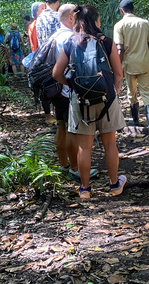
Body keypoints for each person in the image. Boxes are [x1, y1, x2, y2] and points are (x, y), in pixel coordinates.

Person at [53, 4, 126, 199]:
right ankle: (114, 185)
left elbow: (56, 73)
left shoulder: (70, 43)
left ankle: (85, 189)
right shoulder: (106, 42)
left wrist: (73, 84)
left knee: (84, 147)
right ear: (95, 21)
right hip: (107, 100)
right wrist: (114, 90)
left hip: (80, 101)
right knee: (110, 143)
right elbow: (118, 73)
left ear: (77, 22)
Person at [50, 4, 98, 181]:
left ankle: (64, 164)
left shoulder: (55, 35)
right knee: (72, 130)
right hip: (66, 90)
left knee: (61, 125)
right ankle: (75, 168)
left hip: (55, 89)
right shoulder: (69, 38)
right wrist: (70, 85)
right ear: (71, 18)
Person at [113, 0, 149, 141]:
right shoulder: (144, 23)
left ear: (121, 10)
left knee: (131, 93)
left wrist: (117, 68)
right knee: (147, 92)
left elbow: (119, 48)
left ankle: (136, 121)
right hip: (144, 63)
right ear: (133, 9)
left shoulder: (119, 25)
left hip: (129, 65)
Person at [36, 0, 61, 124]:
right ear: (57, 2)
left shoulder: (39, 18)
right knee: (58, 85)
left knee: (46, 85)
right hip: (56, 56)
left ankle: (48, 116)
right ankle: (59, 115)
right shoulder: (58, 16)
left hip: (43, 56)